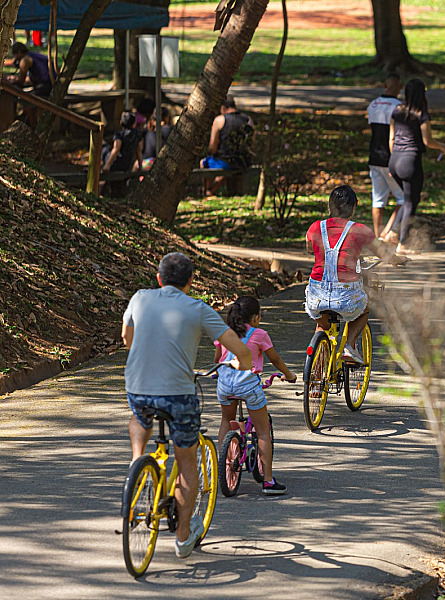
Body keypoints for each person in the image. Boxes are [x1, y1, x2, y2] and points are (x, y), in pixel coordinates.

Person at [122, 252, 253, 558]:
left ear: (159, 279)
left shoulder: (140, 298)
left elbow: (127, 338)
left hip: (138, 386)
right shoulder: (198, 309)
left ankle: (137, 463)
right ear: (191, 281)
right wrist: (243, 364)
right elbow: (238, 347)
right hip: (178, 395)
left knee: (140, 415)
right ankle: (182, 538)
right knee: (186, 465)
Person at [305, 185, 406, 364]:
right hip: (345, 294)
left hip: (316, 295)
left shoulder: (315, 227)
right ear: (352, 208)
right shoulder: (359, 230)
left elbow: (309, 248)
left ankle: (316, 372)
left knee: (322, 323)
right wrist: (398, 260)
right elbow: (383, 253)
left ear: (330, 206)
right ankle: (349, 346)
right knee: (363, 308)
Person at [213, 296, 296, 495]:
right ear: (256, 317)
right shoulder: (259, 334)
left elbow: (218, 358)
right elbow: (275, 359)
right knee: (263, 431)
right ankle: (268, 481)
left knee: (226, 420)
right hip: (248, 386)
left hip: (225, 385)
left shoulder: (224, 332)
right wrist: (289, 375)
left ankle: (221, 469)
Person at [388, 78, 445, 254]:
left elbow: (391, 139)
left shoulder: (396, 111)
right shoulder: (421, 113)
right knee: (411, 202)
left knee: (407, 199)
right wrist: (443, 147)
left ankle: (393, 233)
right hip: (410, 161)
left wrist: (393, 161)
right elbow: (427, 140)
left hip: (394, 160)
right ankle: (403, 244)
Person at [367, 74, 405, 239]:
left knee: (378, 199)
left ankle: (377, 236)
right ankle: (389, 231)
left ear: (385, 85)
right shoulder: (399, 107)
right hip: (390, 159)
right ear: (400, 87)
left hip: (374, 156)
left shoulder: (373, 104)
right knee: (404, 198)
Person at [200, 95, 254, 196]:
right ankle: (211, 191)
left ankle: (207, 191)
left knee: (204, 162)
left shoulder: (220, 120)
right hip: (244, 161)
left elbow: (212, 147)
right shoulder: (248, 119)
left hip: (225, 162)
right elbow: (252, 143)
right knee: (227, 167)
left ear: (223, 108)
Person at [6, 42, 56, 127]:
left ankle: (33, 126)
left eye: (15, 55)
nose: (15, 58)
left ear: (18, 52)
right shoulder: (33, 55)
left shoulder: (25, 60)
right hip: (50, 83)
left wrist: (12, 81)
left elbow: (21, 82)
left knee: (25, 100)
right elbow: (35, 76)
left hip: (46, 86)